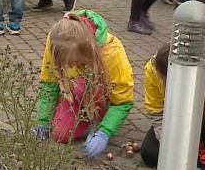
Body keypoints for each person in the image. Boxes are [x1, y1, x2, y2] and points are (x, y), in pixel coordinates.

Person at [32, 10, 134, 158]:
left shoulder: (112, 52)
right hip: (78, 94)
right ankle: (85, 116)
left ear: (86, 48)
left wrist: (105, 132)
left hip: (100, 95)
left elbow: (122, 101)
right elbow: (49, 81)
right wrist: (44, 120)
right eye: (67, 63)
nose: (71, 66)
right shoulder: (56, 40)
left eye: (75, 61)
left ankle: (99, 118)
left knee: (83, 83)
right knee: (60, 133)